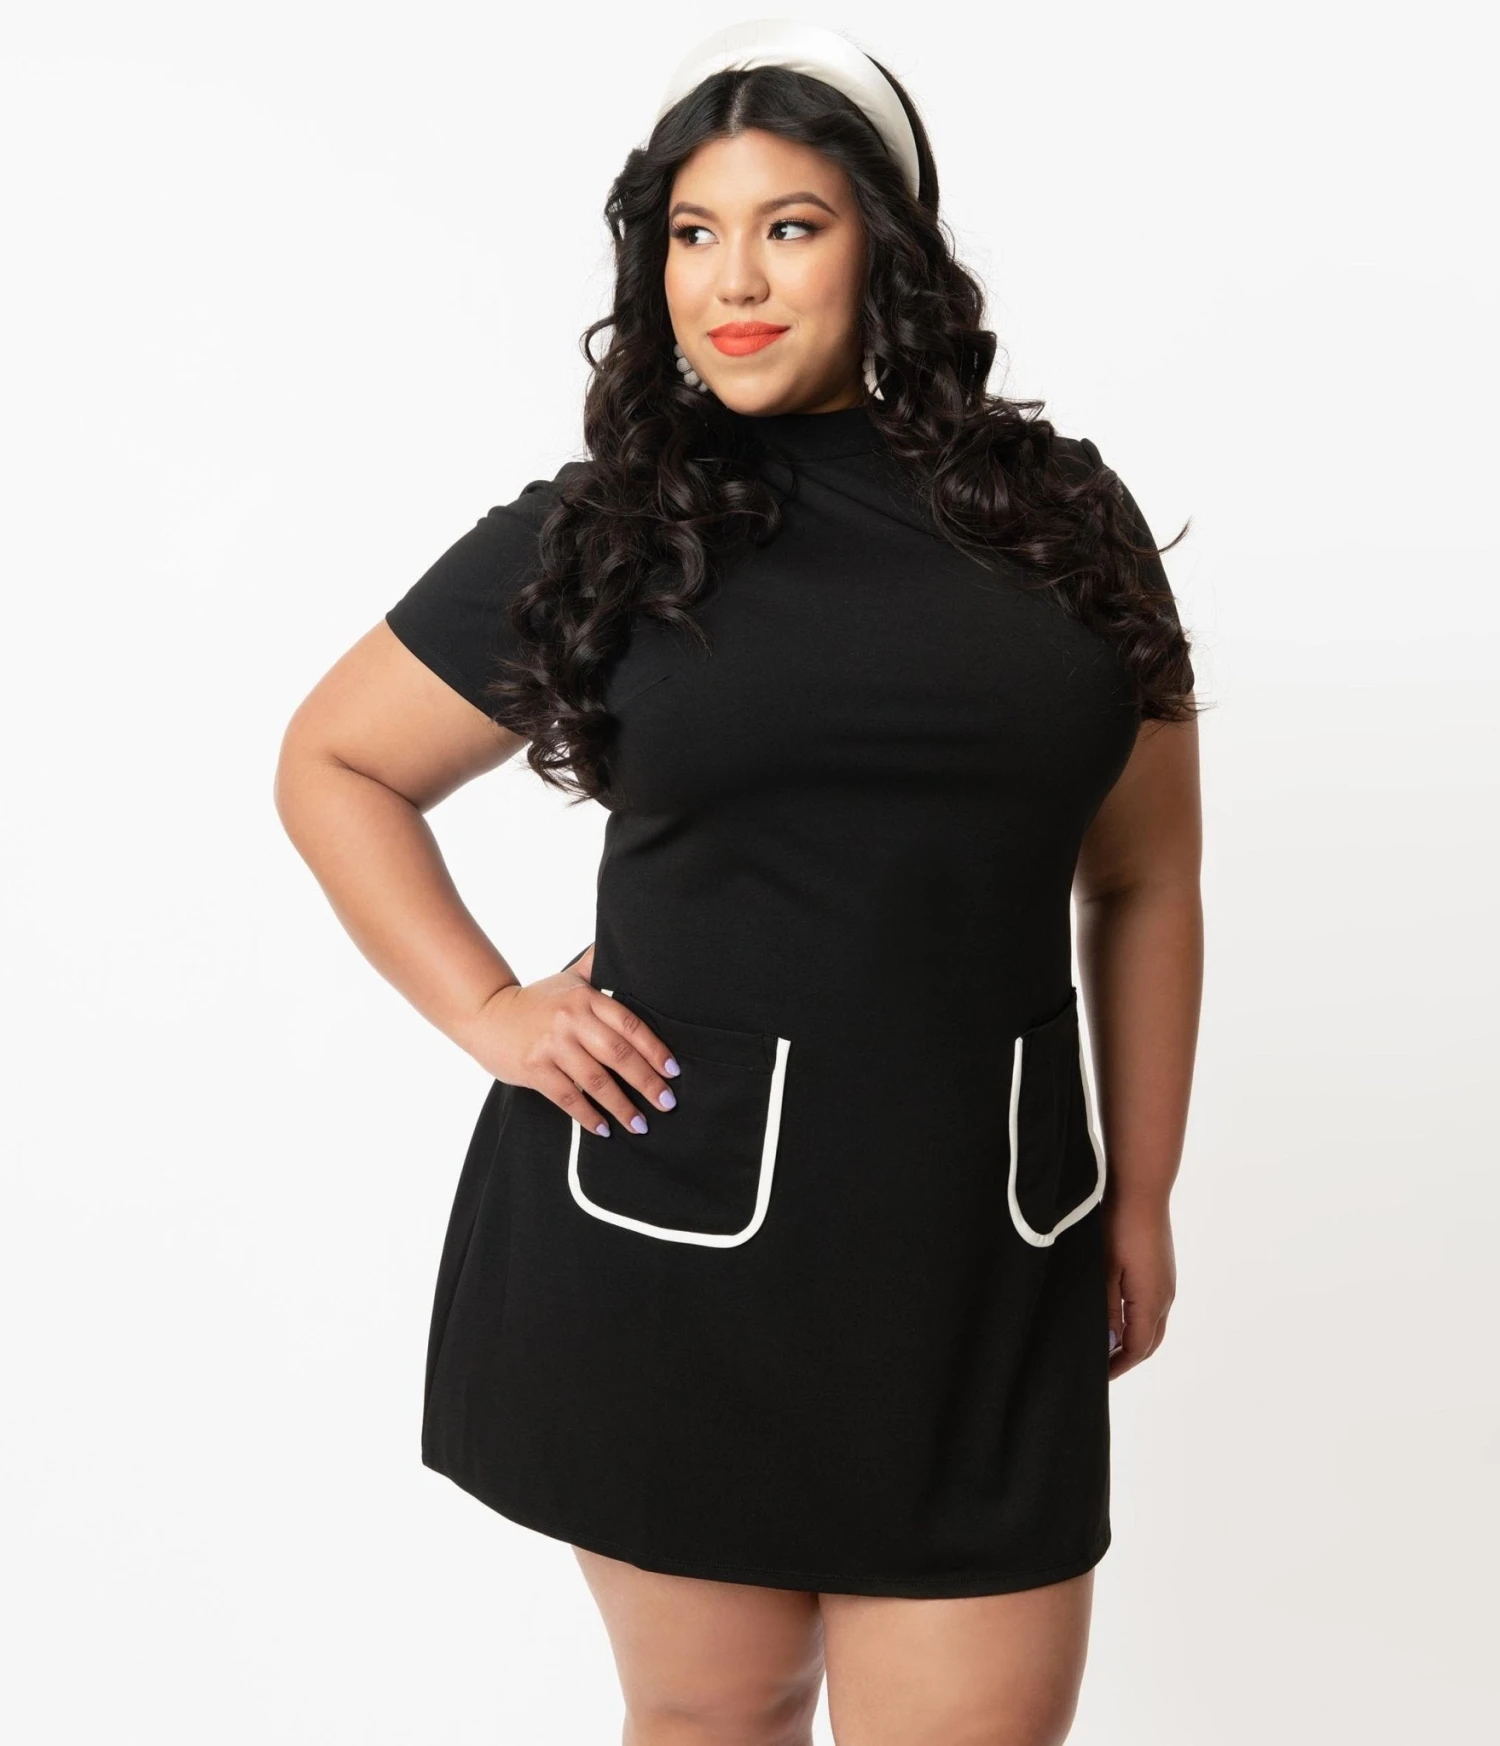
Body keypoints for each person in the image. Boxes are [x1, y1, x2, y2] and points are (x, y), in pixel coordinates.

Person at [274, 18, 1203, 1745]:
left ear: (887, 246)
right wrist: (490, 1007)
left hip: (982, 1246)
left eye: (791, 225)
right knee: (717, 1715)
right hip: (674, 1238)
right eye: (693, 234)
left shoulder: (1064, 519)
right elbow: (335, 762)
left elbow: (1145, 878)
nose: (734, 281)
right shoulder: (610, 526)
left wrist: (1141, 1194)